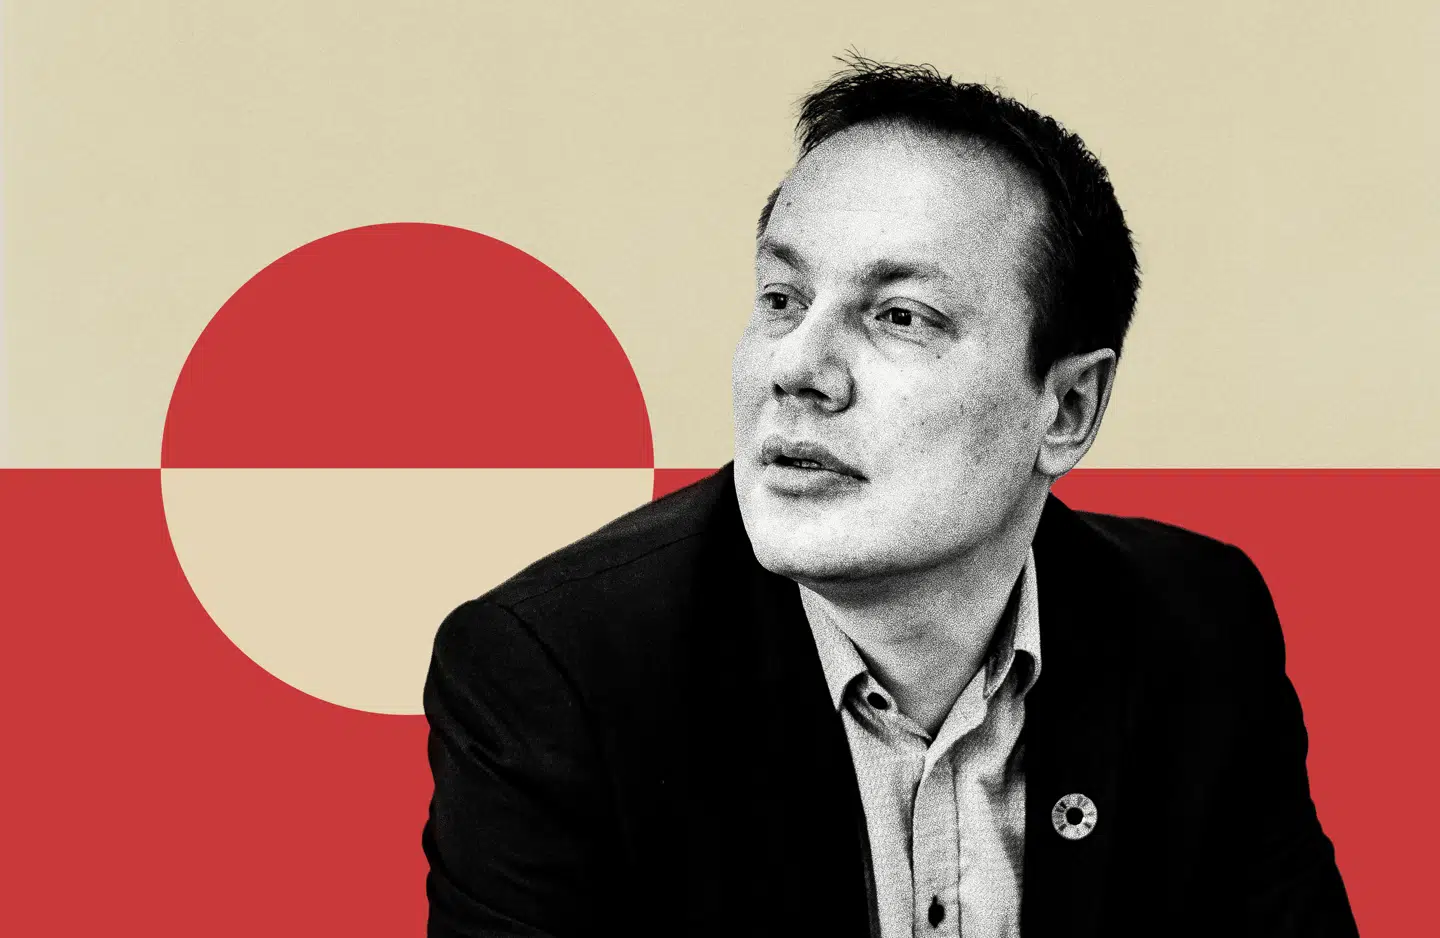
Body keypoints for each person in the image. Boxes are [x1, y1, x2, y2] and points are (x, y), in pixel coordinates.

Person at [421, 57, 1357, 937]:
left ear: (1067, 408)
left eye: (900, 316)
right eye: (782, 299)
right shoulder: (554, 674)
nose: (797, 368)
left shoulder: (1199, 625)